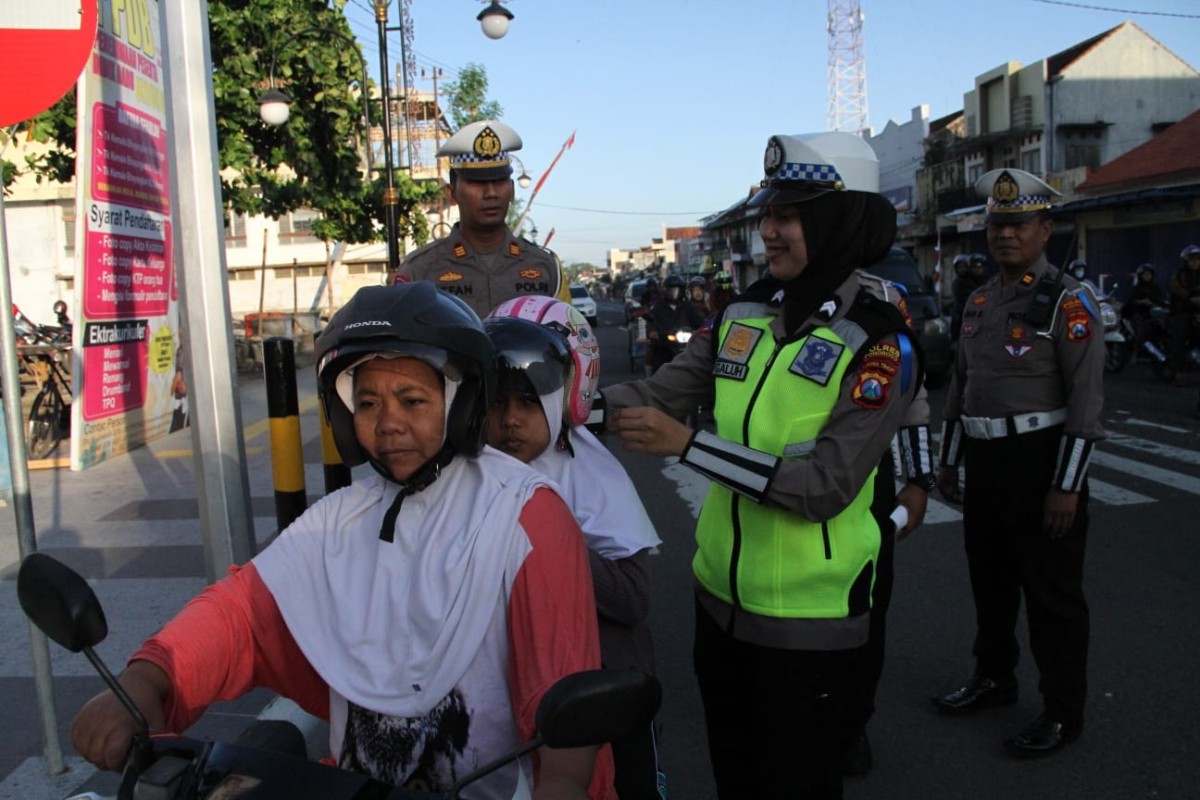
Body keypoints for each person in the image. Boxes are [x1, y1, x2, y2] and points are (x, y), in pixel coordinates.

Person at [70, 281, 614, 799]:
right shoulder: (339, 519)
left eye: (413, 401)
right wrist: (148, 678)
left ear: (461, 405)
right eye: (369, 403)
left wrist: (564, 782)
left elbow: (563, 687)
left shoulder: (523, 514)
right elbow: (240, 614)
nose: (389, 423)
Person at [602, 131, 924, 798]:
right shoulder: (743, 315)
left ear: (840, 220)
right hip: (718, 610)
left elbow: (825, 486)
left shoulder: (880, 343)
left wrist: (690, 446)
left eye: (789, 217)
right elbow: (655, 396)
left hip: (814, 632)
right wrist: (540, 403)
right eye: (768, 216)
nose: (769, 233)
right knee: (737, 782)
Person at [933, 168, 1105, 759]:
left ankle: (1062, 710)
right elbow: (962, 386)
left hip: (1040, 461)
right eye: (997, 224)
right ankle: (994, 677)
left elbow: (1086, 400)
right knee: (991, 581)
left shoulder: (1067, 301)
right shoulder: (980, 300)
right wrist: (950, 462)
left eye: (1019, 224)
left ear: (1045, 228)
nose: (1005, 234)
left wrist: (1067, 485)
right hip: (986, 459)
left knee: (1053, 595)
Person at [483, 296, 665, 799]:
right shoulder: (473, 467)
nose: (511, 420)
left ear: (569, 394)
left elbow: (632, 596)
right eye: (498, 401)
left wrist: (548, 543)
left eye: (529, 400)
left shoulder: (589, 472)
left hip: (598, 684)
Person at [395, 120, 570, 318]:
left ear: (512, 191)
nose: (491, 193)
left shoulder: (545, 267)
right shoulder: (420, 270)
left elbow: (570, 340)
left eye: (499, 181)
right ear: (452, 193)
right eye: (477, 183)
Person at [645, 274, 705, 375]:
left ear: (681, 290)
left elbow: (699, 322)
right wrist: (653, 331)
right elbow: (652, 321)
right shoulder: (659, 307)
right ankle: (650, 379)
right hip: (665, 344)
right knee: (656, 356)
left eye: (676, 289)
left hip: (687, 344)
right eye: (671, 290)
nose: (673, 293)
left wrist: (704, 330)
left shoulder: (688, 306)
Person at [1167, 244, 1200, 382]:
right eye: (1192, 259)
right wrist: (1192, 298)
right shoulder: (1179, 274)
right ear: (1186, 260)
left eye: (1197, 259)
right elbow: (1177, 290)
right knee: (1180, 338)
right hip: (1182, 309)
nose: (1195, 262)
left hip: (1198, 310)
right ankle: (1177, 372)